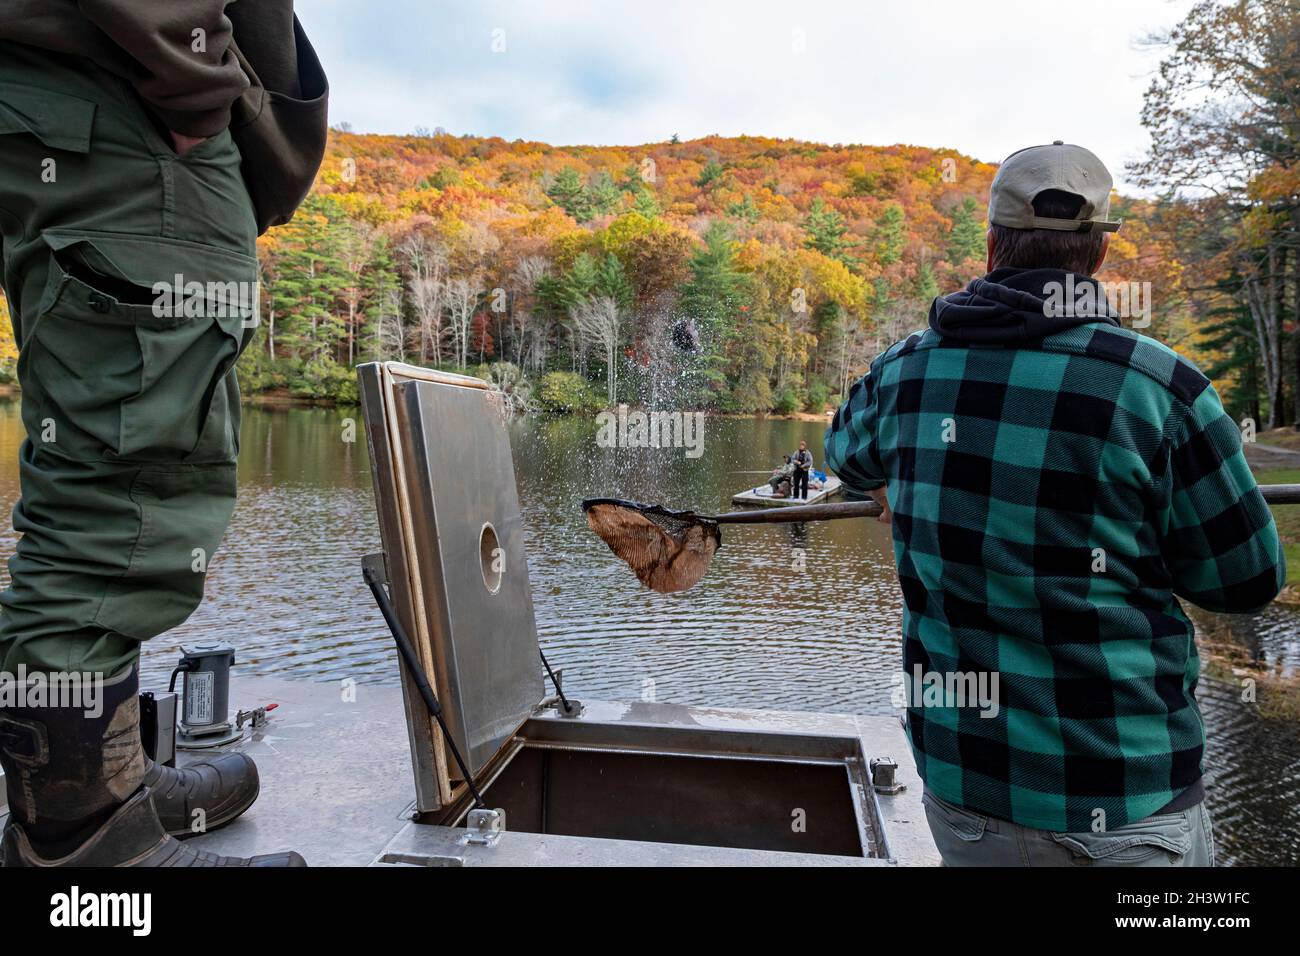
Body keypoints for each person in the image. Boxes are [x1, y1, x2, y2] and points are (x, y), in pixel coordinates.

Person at [825, 142, 1284, 867]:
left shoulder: (904, 371)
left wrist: (893, 484)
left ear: (990, 244)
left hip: (967, 793)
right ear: (1099, 253)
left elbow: (846, 460)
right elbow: (1247, 582)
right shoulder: (1162, 389)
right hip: (1133, 803)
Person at [0, 2, 328, 867]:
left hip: (80, 95)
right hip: (117, 92)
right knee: (120, 489)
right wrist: (191, 84)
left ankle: (106, 791)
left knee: (95, 460)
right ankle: (87, 853)